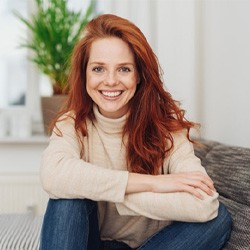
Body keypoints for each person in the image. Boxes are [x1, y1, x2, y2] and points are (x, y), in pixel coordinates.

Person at [40, 14, 232, 250]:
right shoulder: (72, 124)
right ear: (85, 74)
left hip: (151, 246)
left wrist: (119, 196)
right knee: (66, 199)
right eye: (98, 68)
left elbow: (206, 205)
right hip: (90, 243)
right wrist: (153, 184)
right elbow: (53, 175)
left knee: (218, 220)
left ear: (139, 75)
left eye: (124, 69)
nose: (110, 81)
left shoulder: (167, 130)